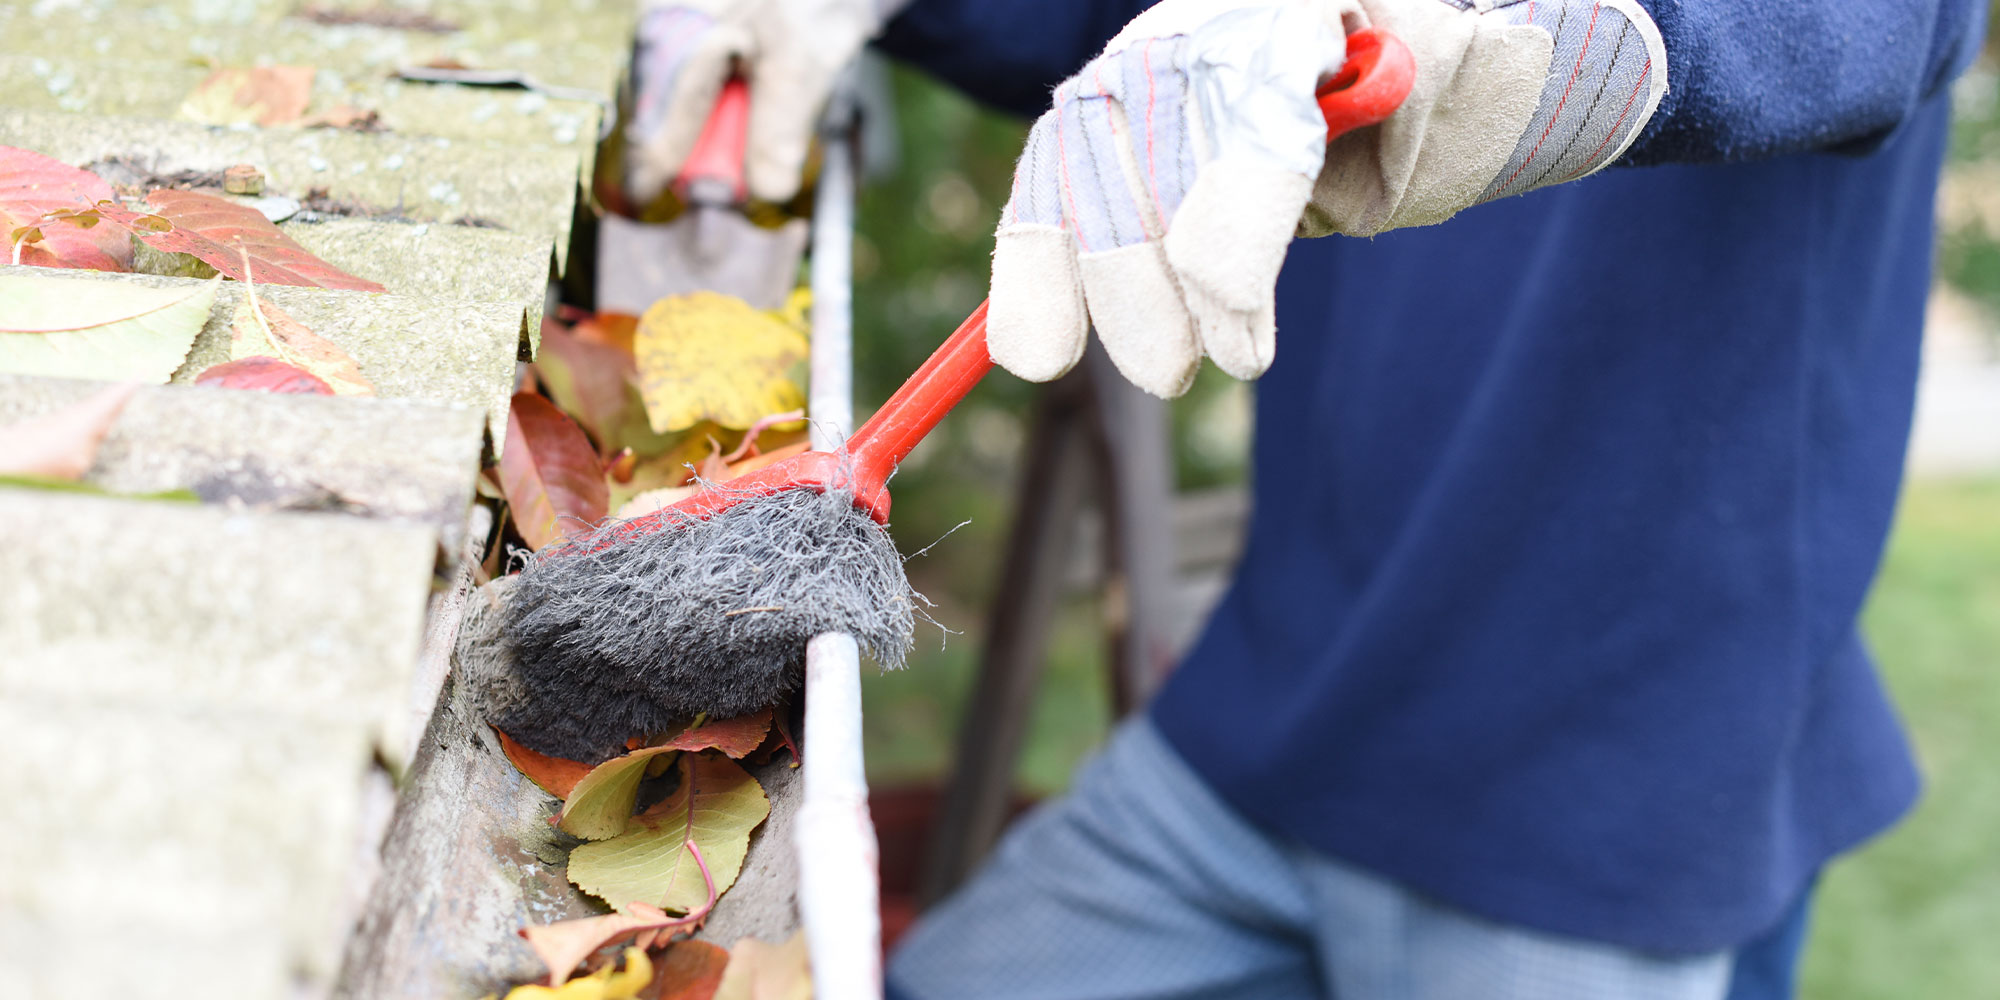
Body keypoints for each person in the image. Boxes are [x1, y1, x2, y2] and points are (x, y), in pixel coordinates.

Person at [625, 0, 1987, 995]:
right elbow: (1124, 31)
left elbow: (1841, 28)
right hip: (1260, 736)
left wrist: (1525, 58)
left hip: (1593, 819)